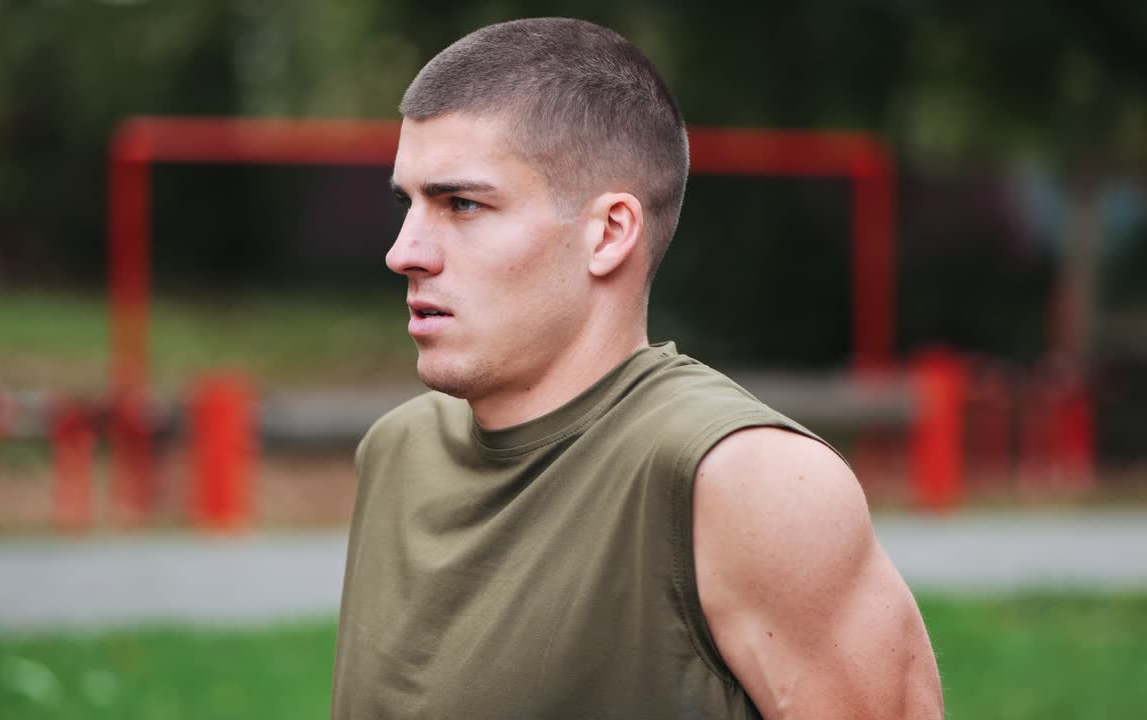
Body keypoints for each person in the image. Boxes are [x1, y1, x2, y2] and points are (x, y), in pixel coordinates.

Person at [331, 17, 943, 719]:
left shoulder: (746, 480)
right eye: (408, 204)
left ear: (610, 233)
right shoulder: (396, 450)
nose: (404, 252)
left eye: (462, 204)